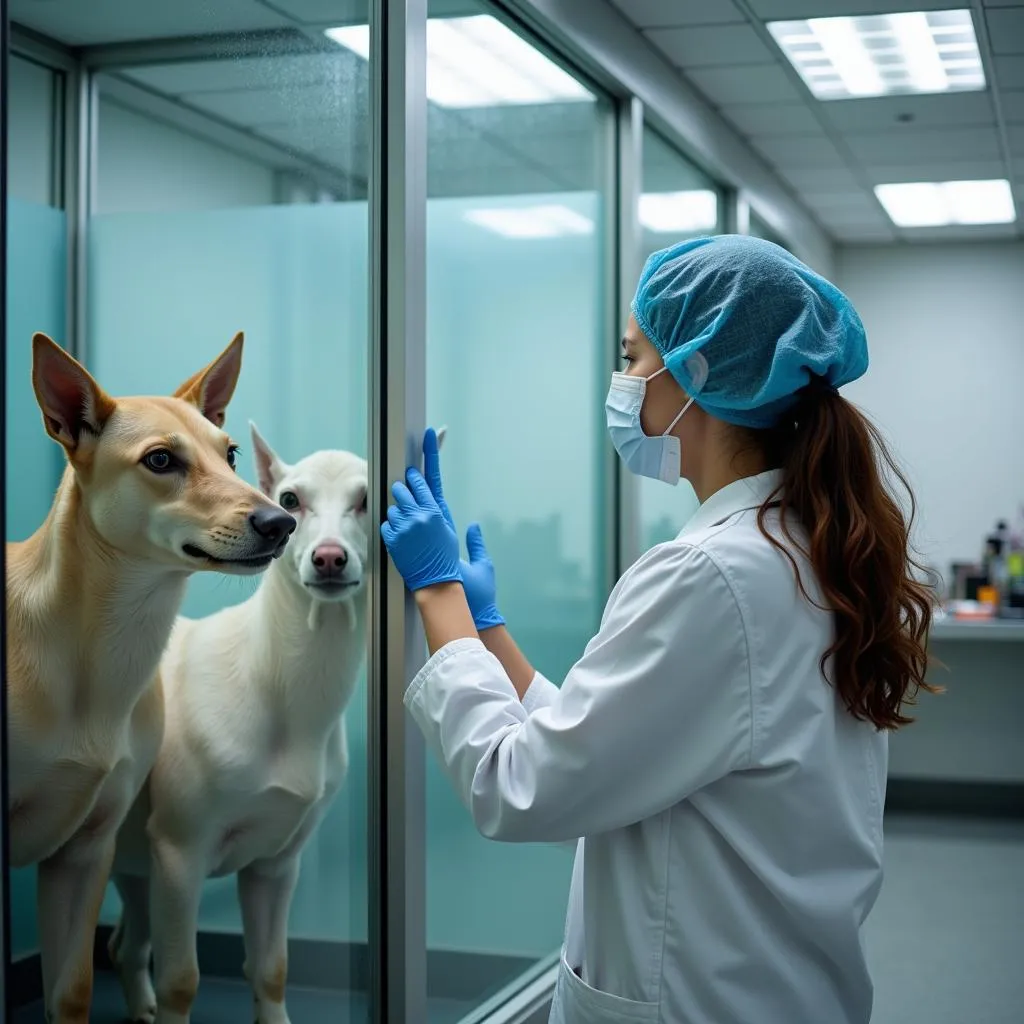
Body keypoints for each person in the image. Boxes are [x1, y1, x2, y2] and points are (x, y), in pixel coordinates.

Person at [380, 235, 935, 1024]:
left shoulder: (713, 575)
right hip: (776, 982)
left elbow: (522, 786)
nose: (623, 382)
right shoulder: (800, 545)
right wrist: (488, 631)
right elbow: (613, 742)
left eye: (633, 358)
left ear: (698, 371)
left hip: (702, 1000)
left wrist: (438, 597)